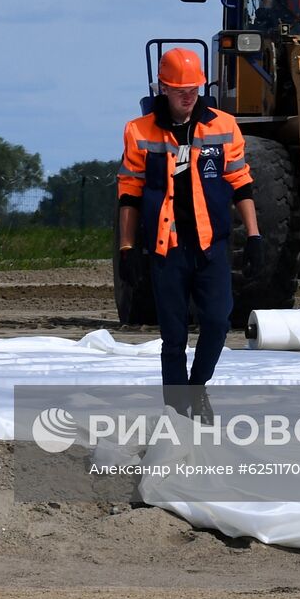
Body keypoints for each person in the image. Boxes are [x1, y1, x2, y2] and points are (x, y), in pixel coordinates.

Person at [117, 48, 263, 394]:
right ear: (162, 89)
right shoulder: (139, 132)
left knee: (216, 322)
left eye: (193, 89)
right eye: (180, 89)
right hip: (167, 249)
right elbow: (129, 193)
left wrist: (254, 237)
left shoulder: (224, 127)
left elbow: (241, 184)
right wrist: (126, 247)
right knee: (173, 336)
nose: (188, 96)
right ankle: (177, 409)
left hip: (211, 246)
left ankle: (197, 387)